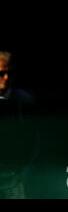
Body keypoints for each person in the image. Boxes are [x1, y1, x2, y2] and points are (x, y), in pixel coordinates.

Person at [0, 51, 38, 199]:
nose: (6, 78)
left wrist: (24, 171)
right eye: (2, 73)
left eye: (9, 73)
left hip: (14, 177)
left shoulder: (23, 100)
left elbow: (34, 138)